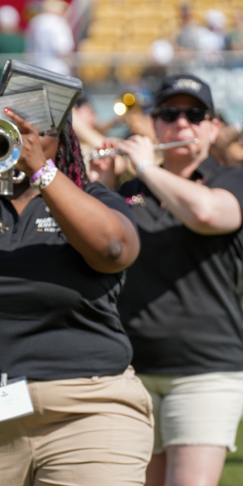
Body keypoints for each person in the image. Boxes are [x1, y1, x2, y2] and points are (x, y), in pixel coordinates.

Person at [0, 107, 153, 485]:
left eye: (38, 129)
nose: (23, 137)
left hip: (87, 410)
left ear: (64, 140)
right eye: (11, 128)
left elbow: (113, 248)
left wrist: (41, 170)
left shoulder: (91, 197)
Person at [99, 74, 243, 486]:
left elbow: (207, 215)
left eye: (194, 115)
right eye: (169, 114)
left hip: (206, 368)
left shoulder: (230, 180)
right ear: (154, 124)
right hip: (131, 368)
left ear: (213, 127)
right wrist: (103, 186)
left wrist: (146, 165)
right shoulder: (130, 190)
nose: (181, 125)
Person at [25, 0, 74, 76]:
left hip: (37, 67)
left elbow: (29, 47)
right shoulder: (59, 22)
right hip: (57, 69)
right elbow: (63, 48)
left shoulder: (35, 22)